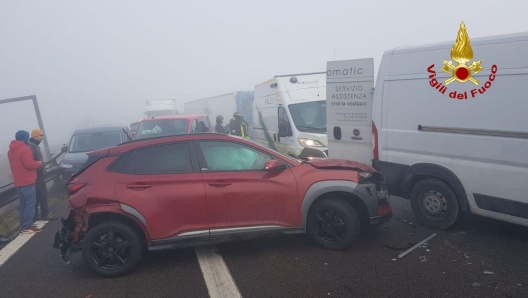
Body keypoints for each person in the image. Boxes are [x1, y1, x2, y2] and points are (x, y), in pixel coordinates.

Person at [7, 130, 43, 234]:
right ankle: (28, 226)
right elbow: (29, 164)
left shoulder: (11, 151)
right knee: (30, 204)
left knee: (23, 205)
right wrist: (39, 163)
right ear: (25, 138)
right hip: (27, 180)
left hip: (18, 181)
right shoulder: (24, 149)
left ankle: (24, 224)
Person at [28, 129, 58, 221]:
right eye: (40, 135)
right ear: (35, 137)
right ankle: (45, 214)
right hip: (37, 173)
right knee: (42, 194)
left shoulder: (33, 145)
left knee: (37, 194)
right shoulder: (32, 146)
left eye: (42, 135)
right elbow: (31, 160)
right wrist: (40, 164)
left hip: (36, 173)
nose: (42, 137)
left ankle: (36, 215)